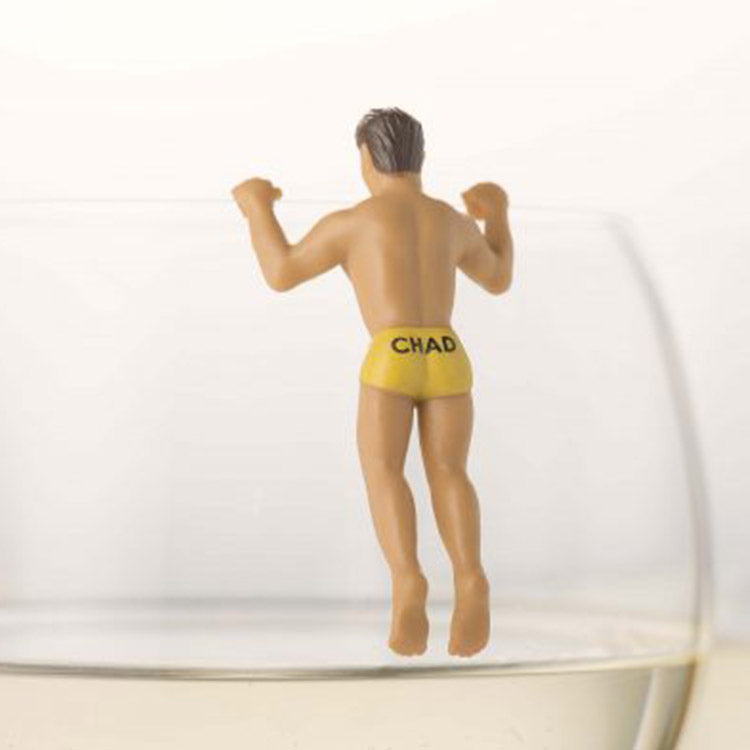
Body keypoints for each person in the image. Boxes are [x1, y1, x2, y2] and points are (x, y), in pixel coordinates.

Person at [231, 107, 513, 657]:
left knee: (384, 471)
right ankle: (471, 575)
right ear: (419, 158)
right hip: (447, 353)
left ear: (366, 157)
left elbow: (282, 271)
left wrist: (257, 207)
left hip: (392, 355)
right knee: (450, 471)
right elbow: (499, 276)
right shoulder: (450, 222)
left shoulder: (354, 222)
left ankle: (407, 578)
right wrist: (497, 213)